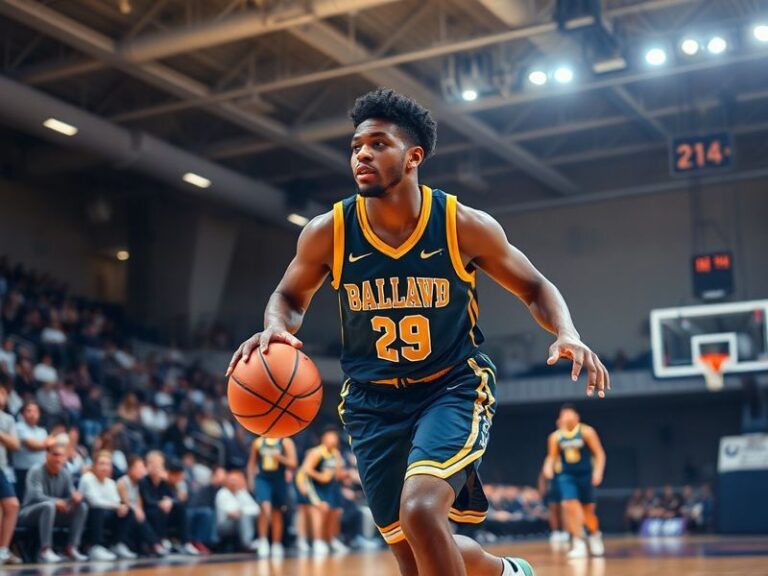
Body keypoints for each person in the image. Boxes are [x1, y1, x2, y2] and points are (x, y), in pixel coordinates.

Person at [227, 88, 609, 576]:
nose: (362, 154)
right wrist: (275, 327)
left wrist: (566, 331)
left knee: (422, 512)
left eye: (378, 144)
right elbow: (288, 296)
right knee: (415, 554)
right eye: (356, 146)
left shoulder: (460, 224)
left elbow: (535, 286)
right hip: (371, 402)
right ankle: (507, 572)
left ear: (413, 157)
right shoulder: (329, 231)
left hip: (450, 387)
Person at [544, 404, 606, 558]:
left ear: (577, 417)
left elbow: (599, 453)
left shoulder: (587, 432)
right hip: (566, 475)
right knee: (568, 504)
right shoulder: (555, 437)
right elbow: (551, 456)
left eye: (569, 414)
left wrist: (598, 472)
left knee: (588, 511)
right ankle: (579, 540)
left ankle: (594, 534)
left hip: (585, 474)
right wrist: (548, 468)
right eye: (563, 414)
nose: (567, 417)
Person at [18, 444, 88, 563]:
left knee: (81, 507)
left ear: (65, 458)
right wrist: (56, 501)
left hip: (53, 513)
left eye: (61, 455)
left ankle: (71, 548)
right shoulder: (36, 471)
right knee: (49, 506)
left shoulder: (65, 473)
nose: (58, 458)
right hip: (29, 512)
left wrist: (75, 498)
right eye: (55, 455)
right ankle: (45, 550)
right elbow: (35, 496)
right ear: (47, 456)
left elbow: (69, 495)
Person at [296, 428, 347, 556]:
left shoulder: (336, 453)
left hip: (330, 487)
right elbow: (306, 469)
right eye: (330, 437)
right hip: (314, 485)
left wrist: (344, 474)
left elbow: (338, 474)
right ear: (324, 439)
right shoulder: (316, 452)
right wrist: (321, 477)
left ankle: (331, 539)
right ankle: (317, 541)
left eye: (335, 438)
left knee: (335, 512)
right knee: (319, 511)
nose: (333, 440)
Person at [78, 450, 137, 560]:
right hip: (87, 515)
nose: (105, 467)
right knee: (98, 509)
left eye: (108, 464)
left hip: (105, 514)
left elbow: (116, 502)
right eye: (102, 464)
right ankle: (95, 547)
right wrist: (116, 506)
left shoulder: (111, 482)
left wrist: (121, 507)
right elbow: (94, 501)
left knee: (127, 510)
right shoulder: (87, 478)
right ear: (94, 466)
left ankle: (117, 544)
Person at [246, 435, 297, 557]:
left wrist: (280, 458)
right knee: (264, 507)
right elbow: (251, 463)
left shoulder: (285, 441)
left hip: (279, 479)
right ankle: (263, 540)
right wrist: (250, 480)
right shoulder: (258, 442)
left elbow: (293, 463)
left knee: (277, 512)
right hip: (263, 479)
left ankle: (276, 543)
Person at [139, 450, 198, 555]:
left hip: (164, 511)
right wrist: (161, 503)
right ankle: (161, 541)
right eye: (154, 463)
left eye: (160, 464)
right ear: (148, 465)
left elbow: (174, 497)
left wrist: (170, 501)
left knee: (180, 508)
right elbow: (148, 501)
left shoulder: (164, 481)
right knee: (159, 510)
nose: (157, 467)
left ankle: (185, 543)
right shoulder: (143, 480)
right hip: (149, 511)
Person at [117, 456, 165, 556]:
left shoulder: (140, 483)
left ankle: (156, 543)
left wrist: (139, 510)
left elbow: (139, 503)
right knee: (135, 515)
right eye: (139, 467)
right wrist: (137, 510)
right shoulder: (122, 482)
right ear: (130, 469)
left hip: (135, 512)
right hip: (124, 512)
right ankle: (155, 544)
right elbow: (126, 502)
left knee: (149, 513)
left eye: (143, 467)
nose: (142, 470)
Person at [14, 402, 55, 502]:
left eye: (35, 411)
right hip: (23, 471)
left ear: (39, 414)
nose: (32, 414)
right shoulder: (18, 427)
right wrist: (48, 442)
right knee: (24, 500)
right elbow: (33, 446)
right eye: (29, 411)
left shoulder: (42, 431)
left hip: (40, 472)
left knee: (40, 500)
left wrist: (47, 443)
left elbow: (48, 449)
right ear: (23, 414)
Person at [215, 470, 260, 551]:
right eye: (232, 480)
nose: (234, 483)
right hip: (224, 526)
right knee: (244, 517)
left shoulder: (242, 492)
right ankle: (247, 543)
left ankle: (264, 541)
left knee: (259, 518)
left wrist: (243, 511)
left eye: (236, 480)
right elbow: (233, 514)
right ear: (226, 481)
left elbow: (256, 509)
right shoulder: (223, 493)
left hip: (242, 522)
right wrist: (245, 512)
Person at [0, 387, 21, 564]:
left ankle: (3, 550)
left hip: (1, 468)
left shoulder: (8, 419)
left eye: (2, 393)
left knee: (12, 505)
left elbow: (15, 444)